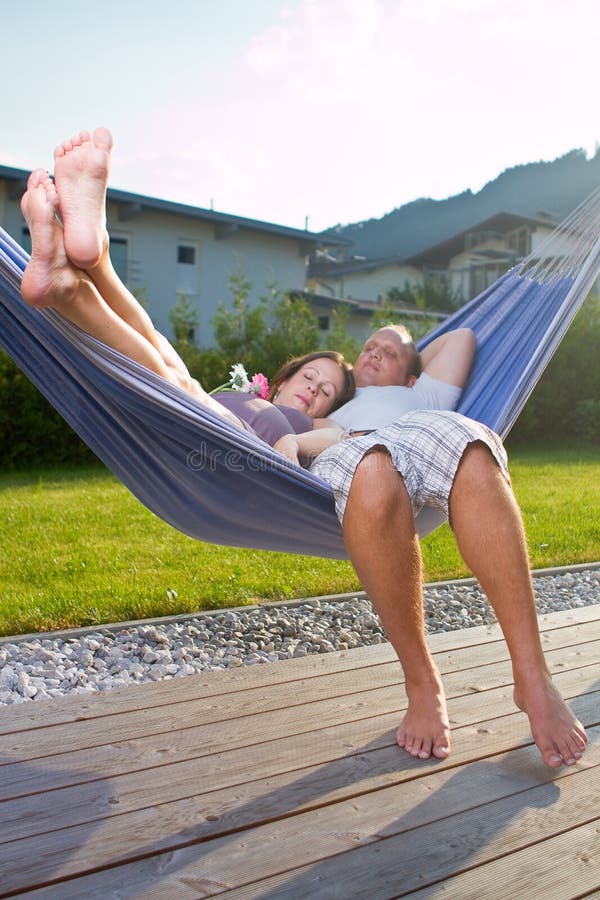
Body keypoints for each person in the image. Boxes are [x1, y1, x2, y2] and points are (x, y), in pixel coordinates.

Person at [302, 325, 587, 770]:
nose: (376, 353)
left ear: (414, 375)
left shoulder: (424, 395)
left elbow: (465, 336)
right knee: (372, 474)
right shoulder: (338, 407)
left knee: (473, 451)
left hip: (424, 431)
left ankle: (534, 678)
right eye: (368, 348)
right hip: (351, 443)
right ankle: (422, 683)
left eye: (390, 354)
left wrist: (407, 349)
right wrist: (378, 363)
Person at [19, 129, 354, 449]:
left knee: (180, 384)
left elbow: (341, 435)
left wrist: (294, 441)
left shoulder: (310, 426)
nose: (313, 389)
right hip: (203, 415)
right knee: (159, 345)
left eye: (326, 392)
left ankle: (72, 289)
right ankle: (96, 258)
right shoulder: (250, 397)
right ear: (283, 380)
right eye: (310, 376)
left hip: (240, 445)